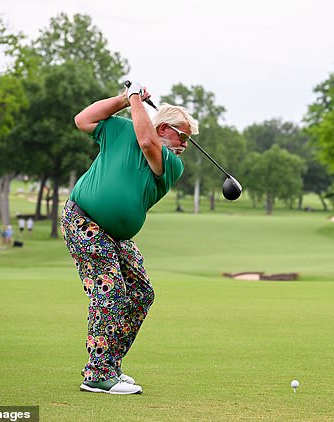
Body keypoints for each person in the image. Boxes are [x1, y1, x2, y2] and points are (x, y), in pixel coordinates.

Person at [60, 81, 198, 395]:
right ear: (165, 127)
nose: (185, 145)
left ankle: (109, 365)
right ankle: (98, 375)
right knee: (110, 291)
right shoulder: (120, 129)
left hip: (116, 236)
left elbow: (148, 142)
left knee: (141, 293)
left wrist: (135, 97)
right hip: (84, 220)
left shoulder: (171, 163)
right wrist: (124, 98)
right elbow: (83, 120)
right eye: (183, 136)